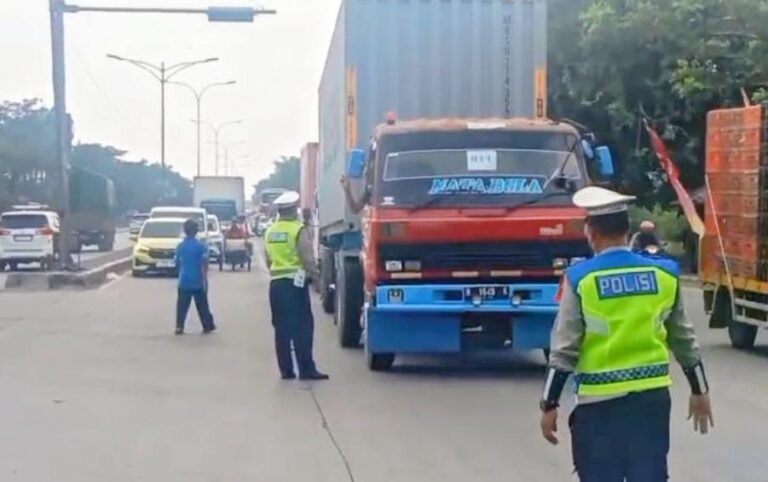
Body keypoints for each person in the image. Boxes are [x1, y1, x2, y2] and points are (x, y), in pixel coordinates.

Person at [540, 186, 713, 482]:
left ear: (591, 231)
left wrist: (549, 404)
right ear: (627, 230)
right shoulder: (665, 274)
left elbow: (564, 349)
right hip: (652, 401)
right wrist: (700, 390)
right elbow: (684, 340)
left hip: (599, 406)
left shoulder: (581, 279)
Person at [264, 191, 328, 380]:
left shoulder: (270, 231)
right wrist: (317, 281)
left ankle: (286, 370)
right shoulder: (297, 229)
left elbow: (268, 260)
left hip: (276, 285)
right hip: (295, 285)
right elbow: (307, 259)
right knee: (302, 327)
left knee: (281, 328)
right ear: (293, 210)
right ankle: (306, 369)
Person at [175, 219, 216, 335]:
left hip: (184, 280)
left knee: (182, 306)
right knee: (202, 305)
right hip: (197, 280)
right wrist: (204, 280)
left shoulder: (180, 246)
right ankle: (207, 325)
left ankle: (179, 326)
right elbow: (204, 264)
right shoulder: (201, 246)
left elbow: (177, 263)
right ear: (196, 231)